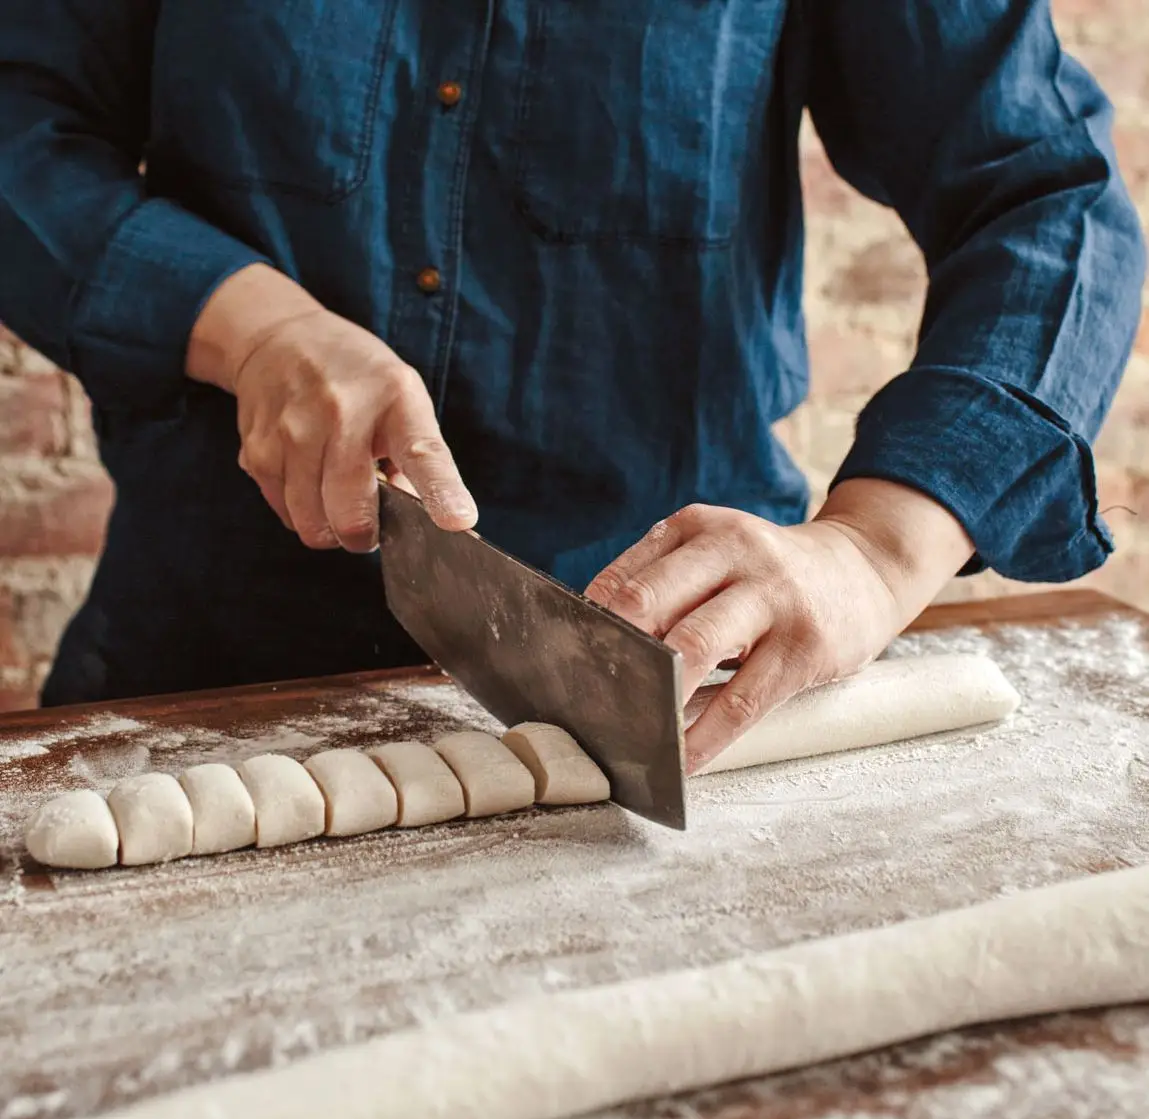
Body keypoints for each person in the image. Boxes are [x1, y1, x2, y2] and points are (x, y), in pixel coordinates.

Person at [0, 1, 1143, 772]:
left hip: (684, 694)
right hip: (197, 673)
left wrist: (876, 550)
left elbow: (1047, 194)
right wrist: (252, 330)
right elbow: (17, 126)